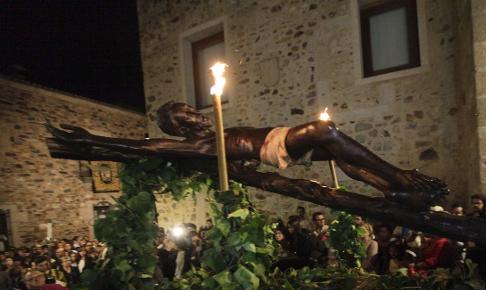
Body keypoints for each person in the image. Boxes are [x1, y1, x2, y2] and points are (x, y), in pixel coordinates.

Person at [47, 102, 448, 208]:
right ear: (179, 129)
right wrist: (92, 139)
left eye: (187, 108)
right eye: (182, 117)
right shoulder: (197, 146)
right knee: (324, 130)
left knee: (339, 154)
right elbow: (141, 146)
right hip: (272, 148)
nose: (193, 114)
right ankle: (399, 177)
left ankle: (391, 189)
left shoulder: (215, 129)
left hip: (276, 139)